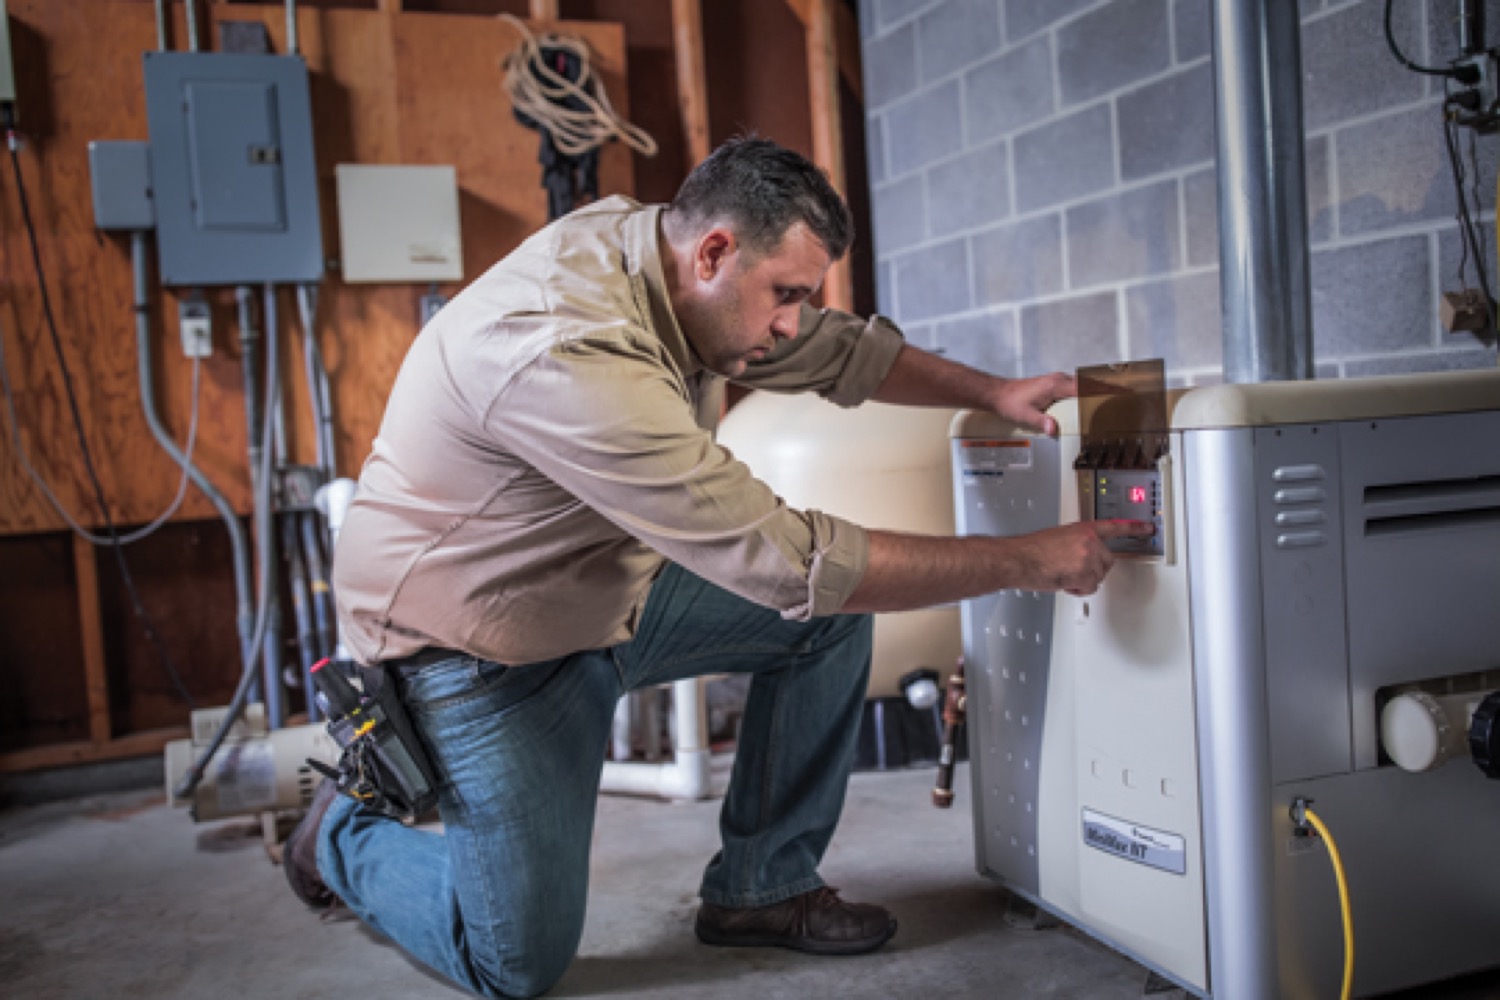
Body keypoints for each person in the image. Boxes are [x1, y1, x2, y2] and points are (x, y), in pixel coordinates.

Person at [283, 136, 1151, 998]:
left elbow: (836, 350)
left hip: (598, 584)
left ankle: (761, 888)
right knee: (510, 962)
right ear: (714, 253)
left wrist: (991, 391)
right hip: (476, 644)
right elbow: (790, 563)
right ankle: (338, 836)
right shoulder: (564, 347)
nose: (790, 322)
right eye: (786, 295)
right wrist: (1022, 560)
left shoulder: (670, 267)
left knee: (829, 623)